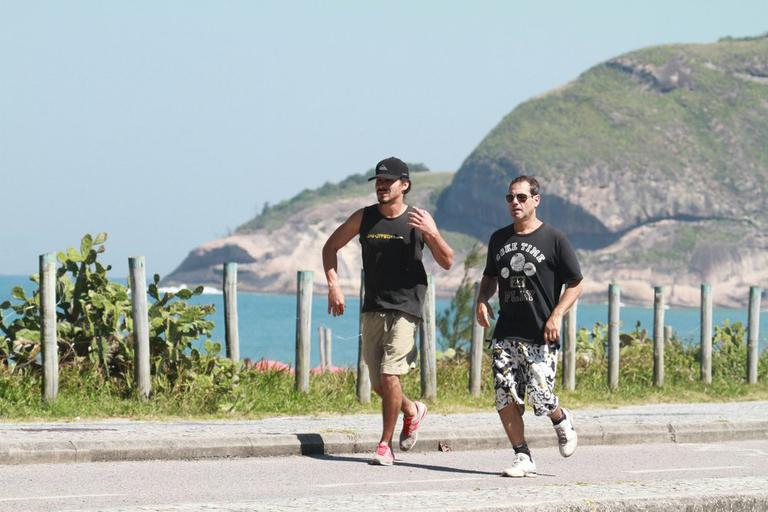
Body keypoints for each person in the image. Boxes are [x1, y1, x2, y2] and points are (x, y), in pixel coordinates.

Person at [322, 156, 453, 466]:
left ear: (404, 185)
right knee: (380, 384)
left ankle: (384, 445)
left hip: (407, 307)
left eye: (388, 181)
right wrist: (333, 285)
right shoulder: (364, 218)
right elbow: (330, 247)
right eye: (378, 181)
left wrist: (432, 233)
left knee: (389, 374)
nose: (381, 186)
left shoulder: (417, 219)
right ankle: (412, 411)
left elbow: (447, 261)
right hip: (373, 307)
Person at [475, 175, 582, 477]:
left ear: (536, 200)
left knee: (540, 393)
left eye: (521, 197)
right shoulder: (499, 239)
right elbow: (490, 277)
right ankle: (522, 456)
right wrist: (482, 300)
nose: (515, 203)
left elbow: (576, 283)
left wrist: (556, 315)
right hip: (506, 332)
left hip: (540, 333)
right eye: (510, 198)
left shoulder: (554, 239)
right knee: (504, 394)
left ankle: (561, 419)